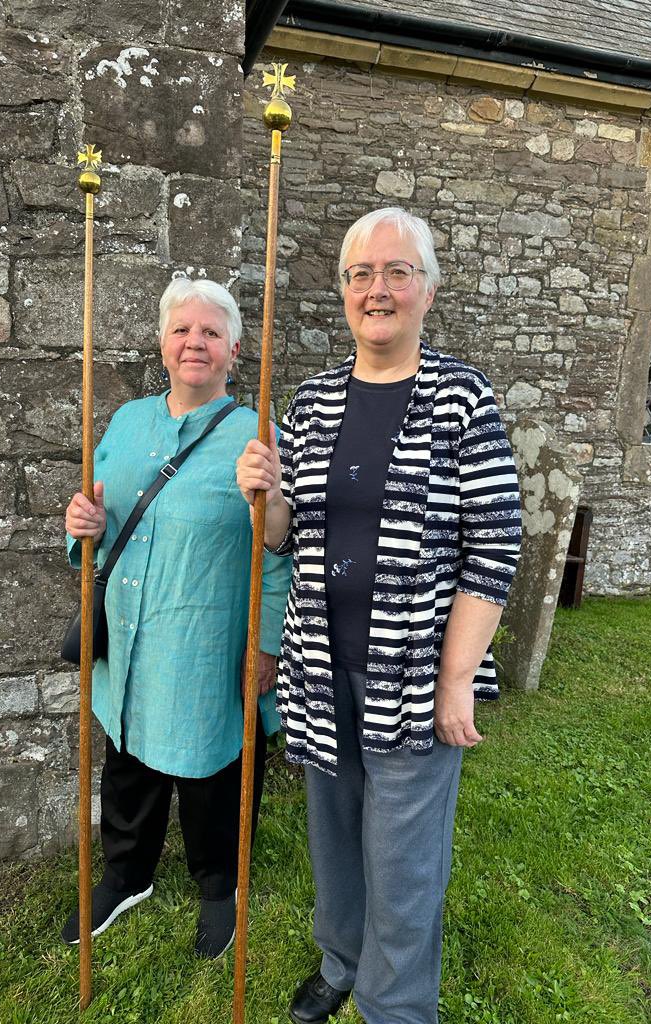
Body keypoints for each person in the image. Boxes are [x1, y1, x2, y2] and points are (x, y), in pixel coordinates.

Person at [236, 208, 522, 1024]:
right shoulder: (315, 400)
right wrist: (269, 490)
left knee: (403, 857)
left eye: (398, 272)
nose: (378, 289)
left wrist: (456, 678)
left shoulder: (460, 397)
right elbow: (286, 539)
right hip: (320, 664)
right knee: (335, 833)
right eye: (362, 274)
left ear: (427, 289)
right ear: (344, 293)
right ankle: (341, 960)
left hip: (415, 669)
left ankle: (394, 1006)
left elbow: (495, 541)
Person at [62, 278, 291, 958]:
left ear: (234, 350)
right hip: (132, 630)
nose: (196, 342)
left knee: (213, 768)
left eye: (211, 333)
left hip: (205, 638)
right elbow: (94, 524)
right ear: (163, 344)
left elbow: (276, 553)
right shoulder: (128, 421)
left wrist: (269, 645)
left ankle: (220, 886)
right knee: (127, 754)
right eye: (182, 330)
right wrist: (82, 525)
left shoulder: (256, 438)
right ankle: (126, 875)